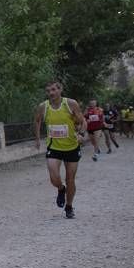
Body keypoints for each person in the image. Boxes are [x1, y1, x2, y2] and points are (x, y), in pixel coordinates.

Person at [34, 81, 86, 218]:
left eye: (53, 90)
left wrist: (81, 135)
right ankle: (60, 189)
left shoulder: (70, 104)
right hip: (54, 147)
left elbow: (82, 121)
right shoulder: (43, 107)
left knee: (70, 179)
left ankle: (69, 207)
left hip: (72, 146)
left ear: (60, 90)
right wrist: (38, 138)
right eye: (48, 91)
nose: (51, 93)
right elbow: (37, 120)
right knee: (53, 177)